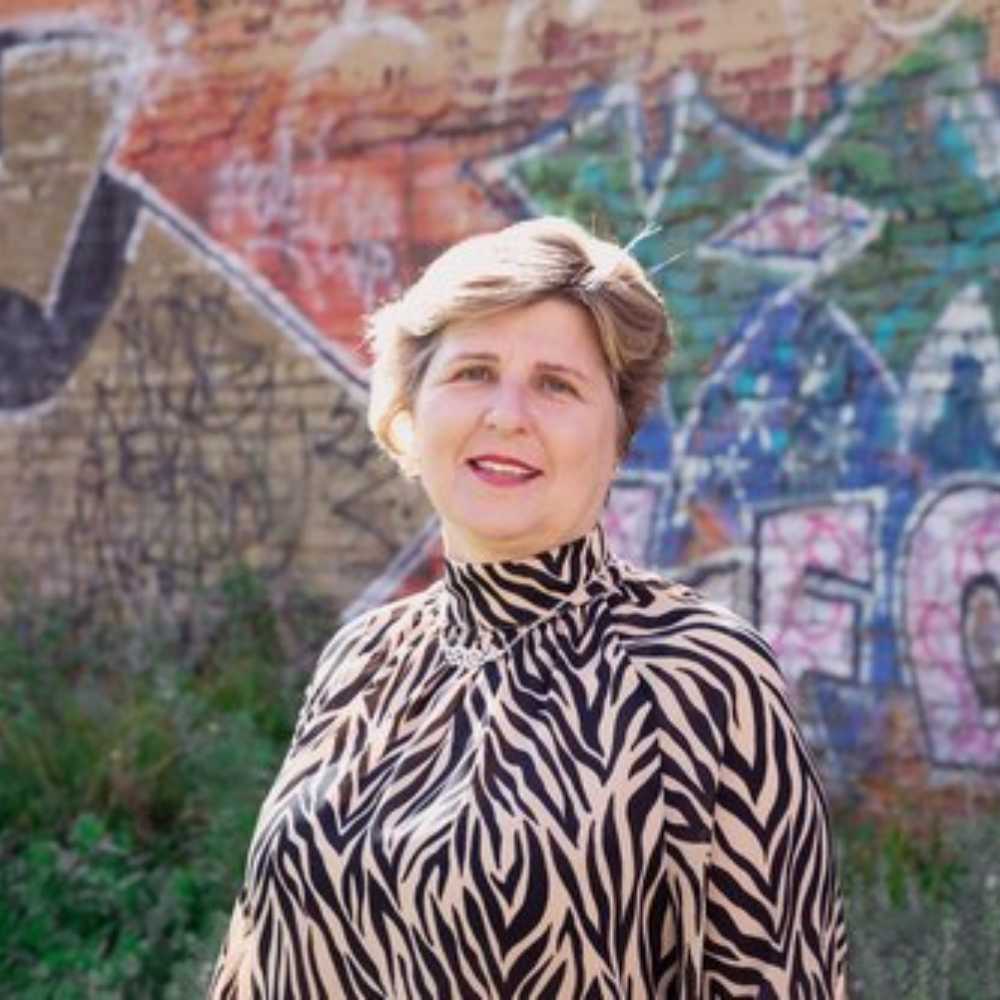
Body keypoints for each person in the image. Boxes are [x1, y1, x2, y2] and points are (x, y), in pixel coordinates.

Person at [209, 217, 848, 998]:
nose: (507, 414)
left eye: (556, 384)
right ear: (412, 407)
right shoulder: (362, 659)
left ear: (617, 436)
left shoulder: (700, 675)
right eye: (473, 371)